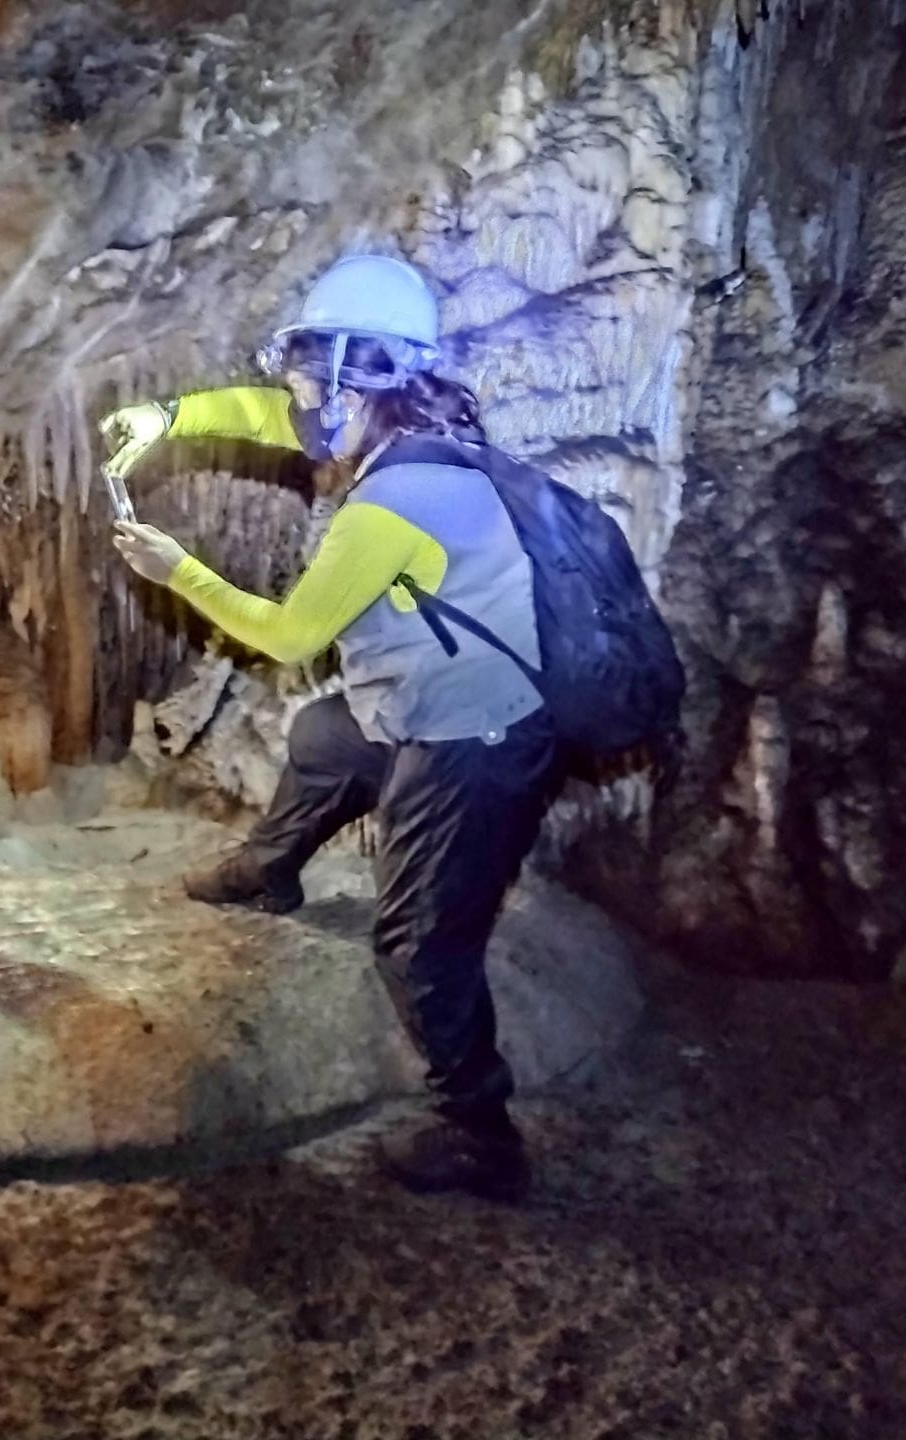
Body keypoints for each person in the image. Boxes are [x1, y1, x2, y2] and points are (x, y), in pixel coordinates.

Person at [106, 254, 560, 1201]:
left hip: (475, 736)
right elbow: (270, 418)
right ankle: (270, 870)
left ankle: (481, 1134)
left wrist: (175, 569)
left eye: (318, 376)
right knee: (324, 736)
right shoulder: (421, 431)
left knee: (418, 946)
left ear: (366, 377)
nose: (302, 398)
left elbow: (289, 633)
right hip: (428, 695)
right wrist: (171, 418)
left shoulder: (394, 501)